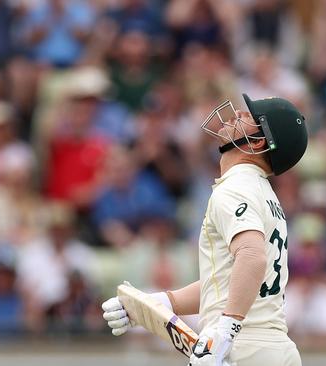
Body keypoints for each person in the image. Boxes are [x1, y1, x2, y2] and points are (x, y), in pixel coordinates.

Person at [102, 94, 308, 366]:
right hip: (273, 348)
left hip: (242, 348)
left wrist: (224, 334)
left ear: (259, 142)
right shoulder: (264, 195)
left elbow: (251, 257)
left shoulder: (236, 187)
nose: (236, 115)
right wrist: (162, 303)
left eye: (250, 118)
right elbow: (227, 281)